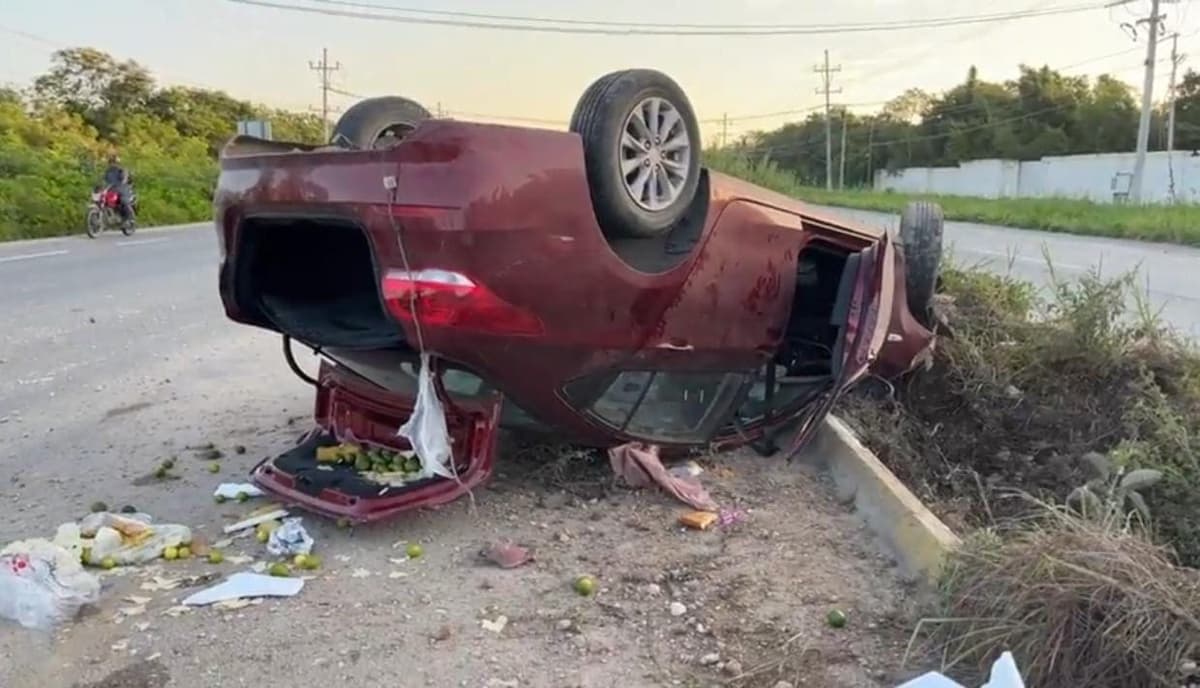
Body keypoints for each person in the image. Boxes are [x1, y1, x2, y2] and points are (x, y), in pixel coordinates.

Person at [102, 154, 134, 221]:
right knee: (102, 199)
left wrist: (123, 181)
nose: (112, 164)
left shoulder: (121, 170)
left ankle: (128, 218)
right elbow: (103, 180)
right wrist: (100, 186)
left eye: (113, 162)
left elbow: (125, 177)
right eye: (110, 162)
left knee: (123, 201)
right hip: (111, 189)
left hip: (121, 189)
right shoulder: (107, 171)